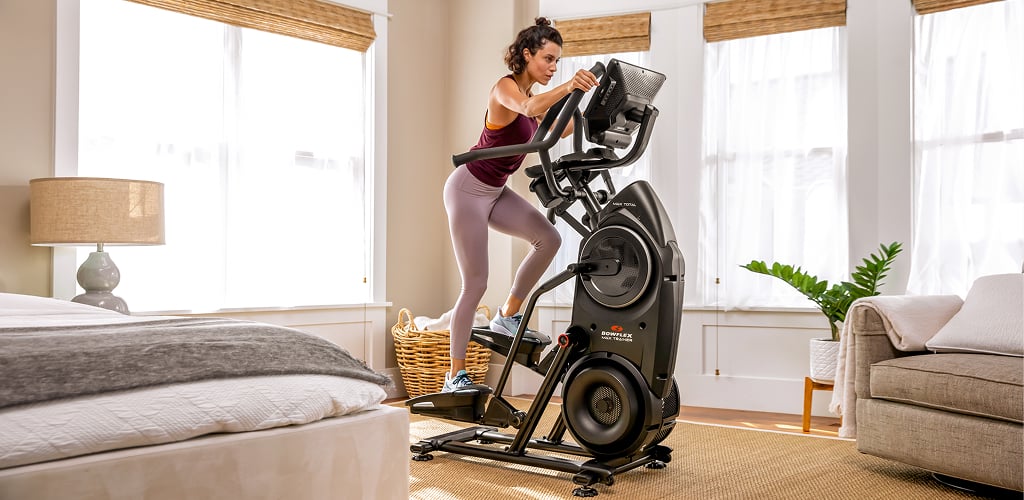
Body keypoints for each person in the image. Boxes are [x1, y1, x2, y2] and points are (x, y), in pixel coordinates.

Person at [442, 18, 599, 393]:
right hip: (467, 189)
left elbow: (557, 129)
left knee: (549, 238)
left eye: (557, 62)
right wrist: (567, 86)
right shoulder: (506, 88)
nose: (552, 66)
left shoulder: (535, 97)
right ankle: (455, 376)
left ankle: (507, 315)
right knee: (475, 284)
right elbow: (528, 109)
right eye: (547, 58)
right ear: (526, 55)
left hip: (495, 191)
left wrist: (588, 107)